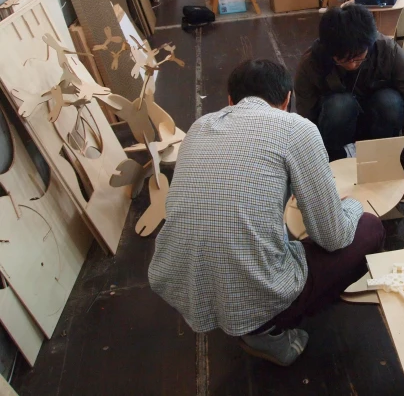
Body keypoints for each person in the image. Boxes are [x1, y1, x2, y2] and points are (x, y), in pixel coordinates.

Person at [148, 59, 385, 367]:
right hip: (257, 297)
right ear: (287, 99)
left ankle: (240, 315)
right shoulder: (297, 129)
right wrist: (352, 205)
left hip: (186, 286)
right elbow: (333, 236)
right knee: (369, 229)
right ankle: (265, 329)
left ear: (230, 100)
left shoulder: (199, 126)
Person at [294, 4, 404, 197]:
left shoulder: (388, 51)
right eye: (342, 60)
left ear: (370, 42)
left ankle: (385, 162)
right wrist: (310, 174)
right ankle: (336, 164)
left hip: (377, 125)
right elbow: (304, 122)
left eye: (358, 58)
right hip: (336, 131)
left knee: (390, 102)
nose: (351, 65)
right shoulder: (311, 62)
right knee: (340, 105)